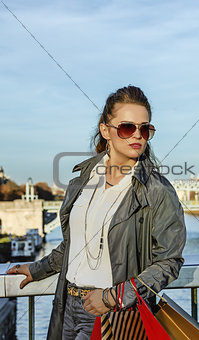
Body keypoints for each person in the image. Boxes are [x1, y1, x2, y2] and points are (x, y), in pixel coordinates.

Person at [7, 85, 186, 339]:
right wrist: (37, 269)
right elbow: (73, 246)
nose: (138, 135)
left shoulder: (155, 190)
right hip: (67, 306)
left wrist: (115, 297)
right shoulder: (83, 180)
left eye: (145, 128)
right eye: (127, 127)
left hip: (112, 314)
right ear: (106, 130)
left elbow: (170, 261)